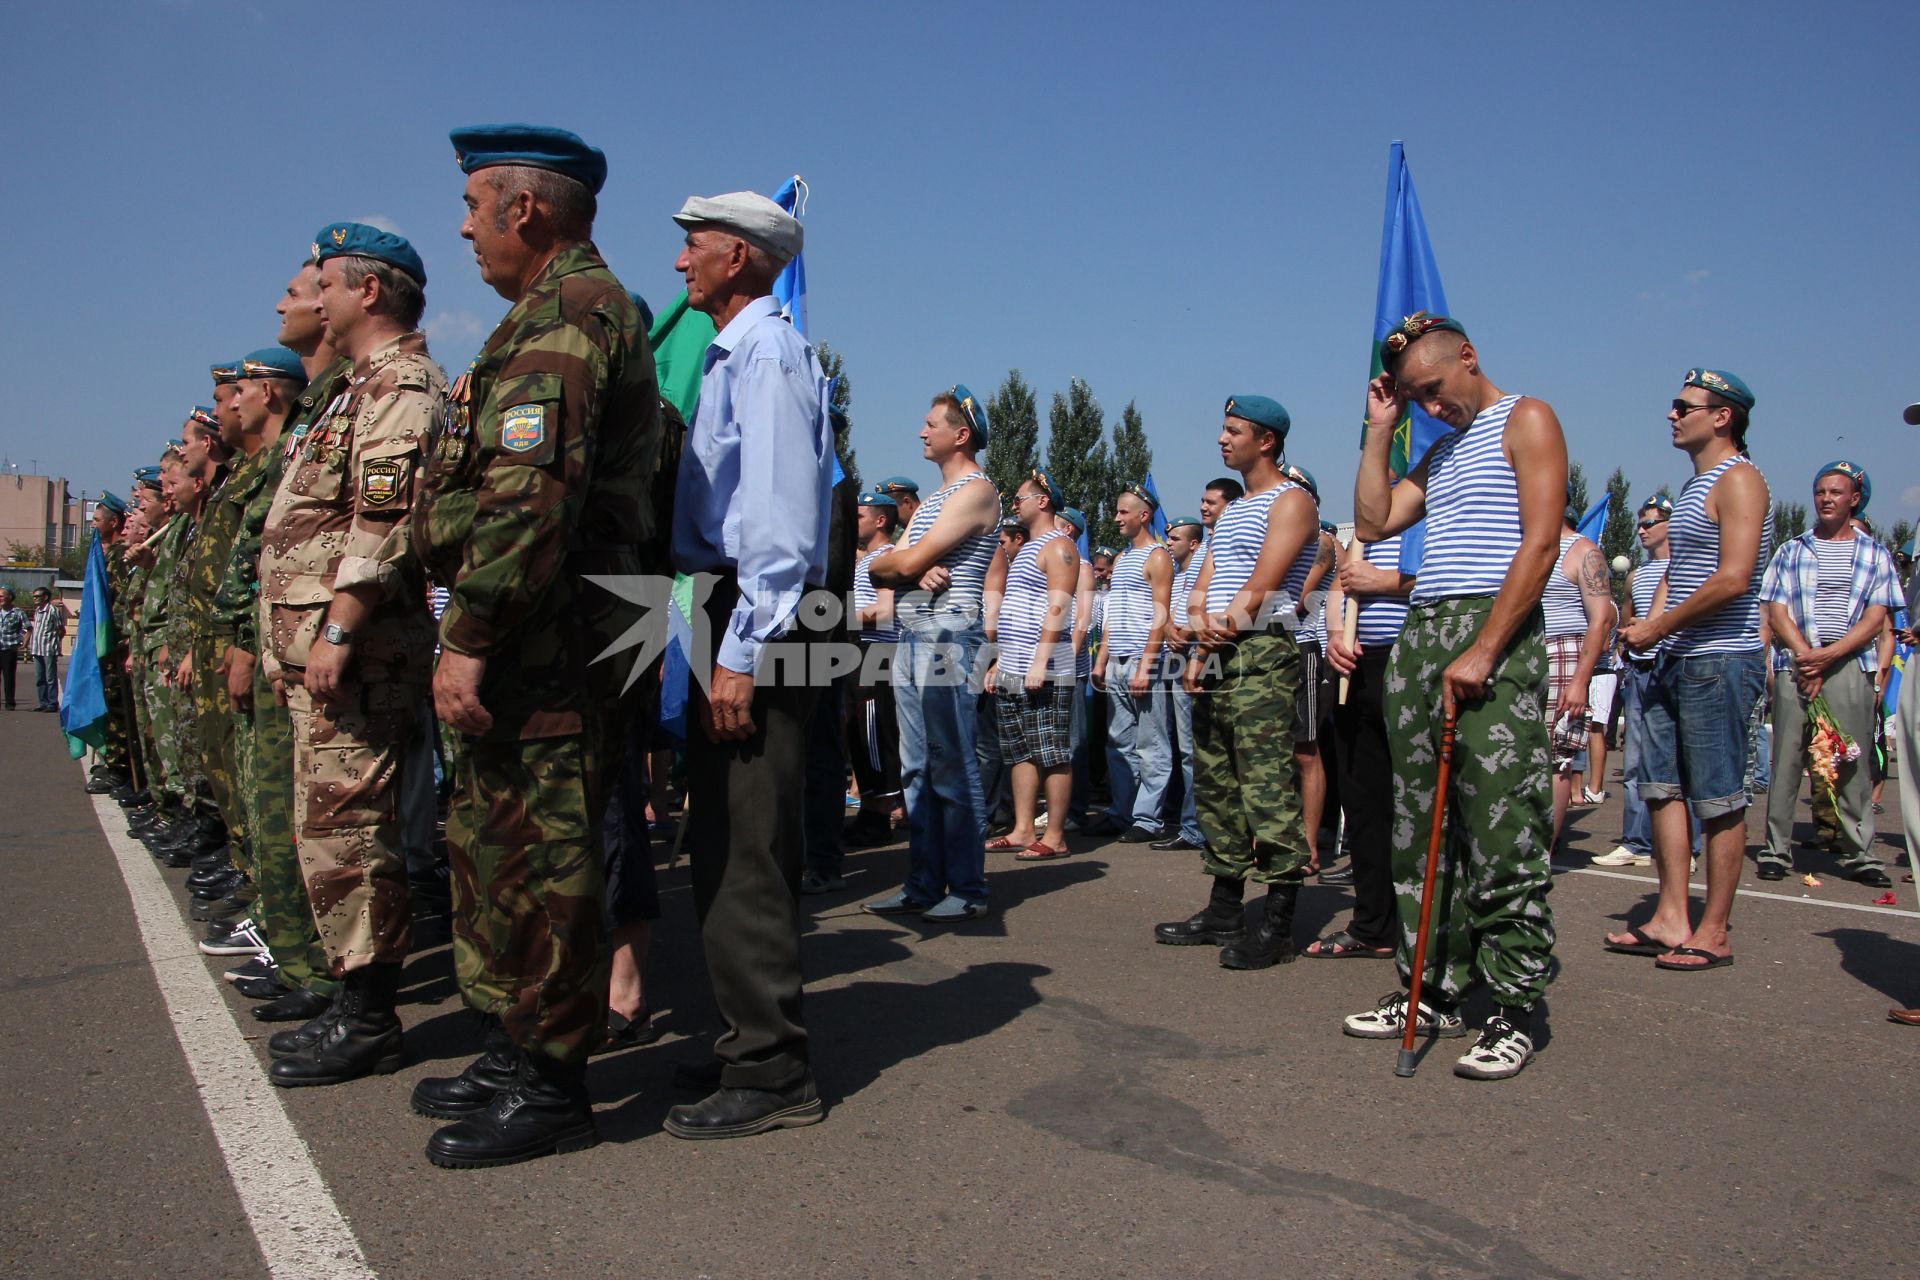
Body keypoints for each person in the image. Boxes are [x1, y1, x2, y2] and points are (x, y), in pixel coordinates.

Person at [411, 126, 661, 1164]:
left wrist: (465, 636)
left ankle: (556, 1079)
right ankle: (521, 1046)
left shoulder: (572, 314)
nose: (463, 225)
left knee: (549, 855)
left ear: (527, 210)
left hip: (551, 642)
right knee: (500, 852)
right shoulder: (540, 318)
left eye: (475, 203)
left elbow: (526, 502)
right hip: (541, 637)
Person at [1344, 313, 1564, 1081]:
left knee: (1500, 822)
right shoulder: (1437, 450)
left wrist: (1486, 647)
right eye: (1413, 396)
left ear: (1468, 357)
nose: (1430, 406)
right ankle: (1428, 989)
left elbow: (1540, 541)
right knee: (1420, 825)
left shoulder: (1525, 416)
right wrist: (1381, 429)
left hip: (1490, 622)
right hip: (1425, 628)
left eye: (1432, 389)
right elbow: (1372, 522)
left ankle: (1511, 1008)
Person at [259, 222, 442, 1089]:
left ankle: (372, 1018)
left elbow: (385, 520)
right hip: (323, 649)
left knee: (355, 831)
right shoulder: (351, 388)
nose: (312, 298)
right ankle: (348, 993)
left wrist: (336, 628)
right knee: (326, 828)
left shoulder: (401, 385)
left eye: (325, 282)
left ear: (367, 291)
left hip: (359, 652)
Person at [217, 261, 353, 1022]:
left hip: (326, 646)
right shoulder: (320, 412)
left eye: (300, 290)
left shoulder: (367, 395)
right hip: (288, 641)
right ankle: (301, 956)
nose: (285, 302)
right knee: (287, 811)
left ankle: (332, 979)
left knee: (328, 824)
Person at [1610, 369, 1771, 971]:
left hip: (1720, 659)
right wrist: (1646, 632)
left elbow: (1734, 578)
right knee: (1660, 789)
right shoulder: (1696, 483)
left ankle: (1715, 930)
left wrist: (1660, 625)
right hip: (1674, 657)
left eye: (1685, 406)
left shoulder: (1741, 481)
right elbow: (1680, 574)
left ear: (1722, 415)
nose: (1673, 415)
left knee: (1719, 797)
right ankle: (1671, 915)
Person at [1154, 395, 1316, 971]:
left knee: (1265, 785)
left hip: (1262, 650)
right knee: (1217, 782)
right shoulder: (1239, 508)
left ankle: (1278, 924)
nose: (1222, 440)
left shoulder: (1291, 501)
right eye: (1222, 430)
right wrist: (1191, 636)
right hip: (1220, 651)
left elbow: (1263, 585)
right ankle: (1225, 907)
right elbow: (1208, 581)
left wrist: (1209, 633)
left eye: (1233, 430)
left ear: (1266, 439)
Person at [863, 387, 1000, 921]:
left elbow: (896, 563)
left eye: (931, 424)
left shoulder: (976, 491)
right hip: (913, 635)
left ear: (960, 435)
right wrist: (911, 566)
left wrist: (907, 565)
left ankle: (967, 890)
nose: (922, 432)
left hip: (947, 635)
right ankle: (922, 883)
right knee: (915, 766)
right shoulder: (932, 506)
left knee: (953, 762)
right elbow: (879, 566)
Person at [1756, 461, 1902, 885]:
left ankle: (1860, 853)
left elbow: (1877, 616)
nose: (1826, 499)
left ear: (1854, 499)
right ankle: (1777, 849)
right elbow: (1776, 608)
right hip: (1796, 664)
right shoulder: (1792, 549)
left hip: (1849, 665)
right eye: (1820, 492)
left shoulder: (1875, 553)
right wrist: (1806, 655)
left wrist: (1830, 656)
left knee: (1850, 760)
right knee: (1787, 759)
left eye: (1836, 493)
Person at [1315, 517, 1414, 959]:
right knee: (1363, 801)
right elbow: (1341, 588)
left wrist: (1389, 582)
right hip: (1357, 667)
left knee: (1417, 803)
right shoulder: (1368, 533)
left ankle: (1425, 928)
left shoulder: (1442, 511)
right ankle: (1374, 923)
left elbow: (1463, 581)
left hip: (1415, 666)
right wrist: (1336, 633)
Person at [989, 470, 1079, 859]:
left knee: (1052, 751)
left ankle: (1055, 835)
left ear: (1043, 502)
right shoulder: (1026, 549)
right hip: (1013, 666)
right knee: (1020, 751)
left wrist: (1041, 660)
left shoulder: (1058, 546)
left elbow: (1058, 608)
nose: (1014, 503)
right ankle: (1024, 828)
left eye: (1020, 497)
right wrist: (998, 664)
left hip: (1044, 666)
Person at [1594, 496, 1687, 867]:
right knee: (1633, 762)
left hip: (1672, 667)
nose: (1642, 530)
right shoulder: (1636, 575)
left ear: (1669, 526)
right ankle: (1635, 842)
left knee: (1679, 762)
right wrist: (1624, 639)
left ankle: (1687, 849)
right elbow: (1628, 618)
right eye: (1641, 523)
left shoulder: (1682, 569)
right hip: (1639, 671)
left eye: (1650, 523)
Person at [1091, 482, 1174, 842]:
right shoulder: (1123, 559)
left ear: (1144, 515)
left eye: (1123, 512)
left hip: (1144, 659)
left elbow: (1161, 614)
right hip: (1118, 660)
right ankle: (1121, 811)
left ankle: (1148, 818)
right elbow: (1114, 613)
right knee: (1118, 741)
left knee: (1151, 743)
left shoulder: (1158, 556)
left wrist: (1147, 666)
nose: (1117, 518)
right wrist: (1102, 660)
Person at [1540, 499, 1616, 848]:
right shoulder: (1529, 545)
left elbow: (1601, 619)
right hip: (1528, 652)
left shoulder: (1583, 551)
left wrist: (1580, 682)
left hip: (1565, 654)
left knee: (1557, 758)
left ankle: (1544, 853)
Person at [841, 491, 904, 851]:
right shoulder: (867, 559)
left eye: (861, 515)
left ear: (881, 521)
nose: (855, 521)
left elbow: (884, 610)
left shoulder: (888, 557)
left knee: (874, 734)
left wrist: (838, 617)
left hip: (877, 651)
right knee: (859, 737)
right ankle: (869, 810)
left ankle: (880, 816)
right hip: (860, 650)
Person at [1152, 512, 1210, 852]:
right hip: (1175, 656)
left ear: (1194, 543)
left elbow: (1202, 609)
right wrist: (1172, 628)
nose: (1168, 542)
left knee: (1193, 747)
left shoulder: (1205, 564)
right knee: (1182, 747)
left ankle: (1196, 827)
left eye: (1174, 539)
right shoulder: (1179, 574)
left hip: (1195, 656)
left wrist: (1185, 631)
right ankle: (1188, 823)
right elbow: (1171, 612)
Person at [28, 586, 66, 711]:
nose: (35, 599)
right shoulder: (37, 611)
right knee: (39, 677)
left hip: (48, 648)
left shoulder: (53, 611)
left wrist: (55, 642)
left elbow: (61, 630)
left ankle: (52, 703)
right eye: (34, 596)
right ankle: (42, 702)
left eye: (37, 596)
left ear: (45, 597)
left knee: (50, 677)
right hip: (37, 648)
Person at [0, 588, 24, 710]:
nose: (0, 599)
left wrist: (20, 641)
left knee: (8, 677)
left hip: (9, 649)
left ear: (10, 597)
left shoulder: (17, 612)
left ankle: (10, 703)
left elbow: (27, 628)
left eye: (2, 596)